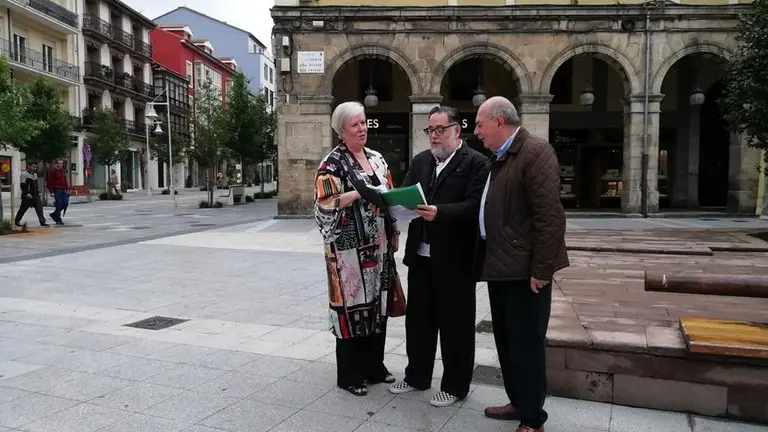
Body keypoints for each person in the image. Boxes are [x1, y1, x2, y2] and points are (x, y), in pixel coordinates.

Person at [473, 96, 569, 432]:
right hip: (502, 268)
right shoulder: (500, 159)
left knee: (526, 346)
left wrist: (541, 271)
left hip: (524, 272)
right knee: (507, 342)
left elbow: (550, 217)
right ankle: (518, 401)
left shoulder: (536, 152)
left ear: (499, 122)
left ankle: (532, 418)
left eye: (480, 125)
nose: (476, 132)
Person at [388, 106, 490, 407]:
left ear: (456, 131)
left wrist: (441, 213)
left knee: (455, 325)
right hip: (421, 257)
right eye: (430, 130)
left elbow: (475, 207)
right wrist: (394, 205)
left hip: (456, 261)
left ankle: (455, 386)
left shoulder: (477, 163)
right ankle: (417, 376)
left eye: (439, 130)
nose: (433, 136)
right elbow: (406, 194)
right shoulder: (421, 162)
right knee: (419, 322)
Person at [314, 101, 400, 397]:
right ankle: (350, 375)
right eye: (355, 124)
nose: (362, 128)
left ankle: (375, 366)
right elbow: (324, 205)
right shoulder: (332, 164)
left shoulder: (377, 159)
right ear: (341, 131)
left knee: (378, 307)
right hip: (347, 254)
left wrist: (395, 230)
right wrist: (353, 195)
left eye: (364, 122)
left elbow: (389, 196)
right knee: (351, 312)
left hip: (379, 248)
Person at [15, 162, 49, 228]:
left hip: (36, 196)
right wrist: (26, 193)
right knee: (23, 209)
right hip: (28, 196)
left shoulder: (35, 174)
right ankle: (17, 221)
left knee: (39, 209)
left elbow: (35, 185)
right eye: (33, 167)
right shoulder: (24, 174)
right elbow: (22, 185)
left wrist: (38, 193)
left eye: (35, 167)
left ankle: (42, 222)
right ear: (28, 166)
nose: (34, 168)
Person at [46, 159, 69, 225]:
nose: (61, 165)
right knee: (59, 204)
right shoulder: (52, 171)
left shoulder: (63, 171)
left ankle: (54, 214)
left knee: (65, 203)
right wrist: (51, 191)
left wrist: (67, 189)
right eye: (59, 163)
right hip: (57, 190)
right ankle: (58, 219)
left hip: (64, 190)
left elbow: (65, 180)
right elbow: (49, 182)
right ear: (56, 164)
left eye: (61, 163)